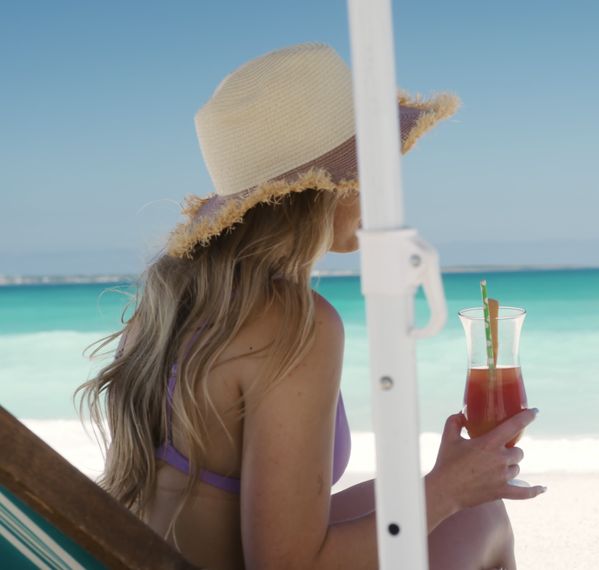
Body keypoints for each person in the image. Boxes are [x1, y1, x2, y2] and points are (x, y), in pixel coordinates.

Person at [78, 42, 544, 570]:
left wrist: (446, 492)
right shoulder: (293, 325)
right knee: (480, 519)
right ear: (328, 187)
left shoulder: (169, 304)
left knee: (463, 512)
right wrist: (449, 491)